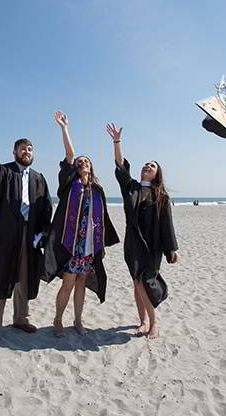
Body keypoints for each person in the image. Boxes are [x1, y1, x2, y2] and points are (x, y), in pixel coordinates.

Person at [43, 111, 119, 337]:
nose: (83, 162)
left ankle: (77, 320)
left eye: (87, 161)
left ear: (91, 167)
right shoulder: (69, 183)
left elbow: (102, 219)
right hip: (70, 244)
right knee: (67, 283)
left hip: (88, 247)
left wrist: (102, 244)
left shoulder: (97, 189)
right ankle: (57, 320)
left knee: (81, 284)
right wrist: (64, 128)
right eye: (80, 162)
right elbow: (69, 154)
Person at [0, 138, 53, 346]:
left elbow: (47, 209)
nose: (26, 152)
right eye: (22, 149)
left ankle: (20, 319)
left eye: (29, 149)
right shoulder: (3, 171)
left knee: (25, 277)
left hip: (30, 235)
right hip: (5, 233)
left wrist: (43, 234)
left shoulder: (39, 178)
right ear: (14, 152)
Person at [106, 122, 180, 339]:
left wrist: (172, 249)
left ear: (157, 174)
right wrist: (117, 142)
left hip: (154, 244)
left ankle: (154, 323)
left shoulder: (161, 195)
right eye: (146, 164)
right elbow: (121, 166)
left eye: (152, 166)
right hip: (133, 242)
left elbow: (167, 224)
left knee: (146, 280)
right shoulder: (131, 188)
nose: (147, 166)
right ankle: (143, 322)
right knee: (137, 281)